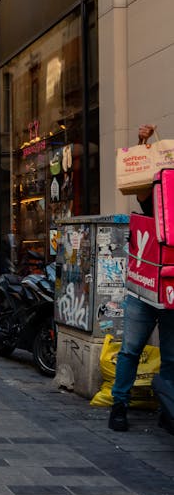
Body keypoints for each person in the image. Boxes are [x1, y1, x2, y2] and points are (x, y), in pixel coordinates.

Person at [110, 124, 174, 432]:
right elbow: (140, 184)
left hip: (171, 292)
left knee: (172, 357)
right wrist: (142, 143)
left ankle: (168, 408)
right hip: (144, 287)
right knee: (130, 350)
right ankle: (118, 405)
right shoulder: (159, 194)